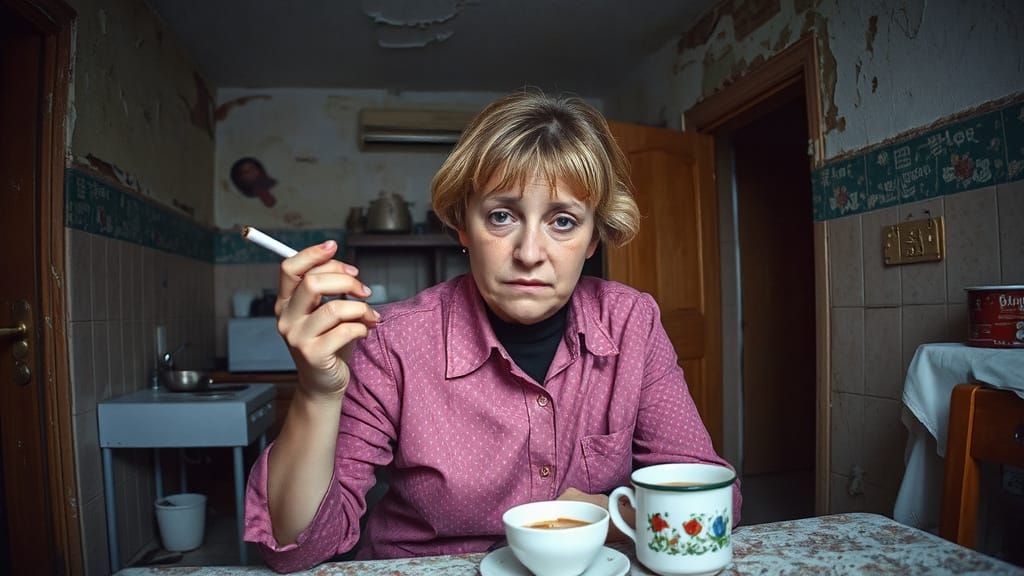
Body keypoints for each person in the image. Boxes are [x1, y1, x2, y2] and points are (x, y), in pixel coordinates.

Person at [244, 90, 742, 573]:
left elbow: (712, 498)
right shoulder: (392, 343)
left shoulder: (632, 323)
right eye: (502, 216)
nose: (529, 252)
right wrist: (315, 392)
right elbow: (297, 548)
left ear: (594, 237)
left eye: (563, 221)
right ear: (464, 225)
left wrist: (607, 514)